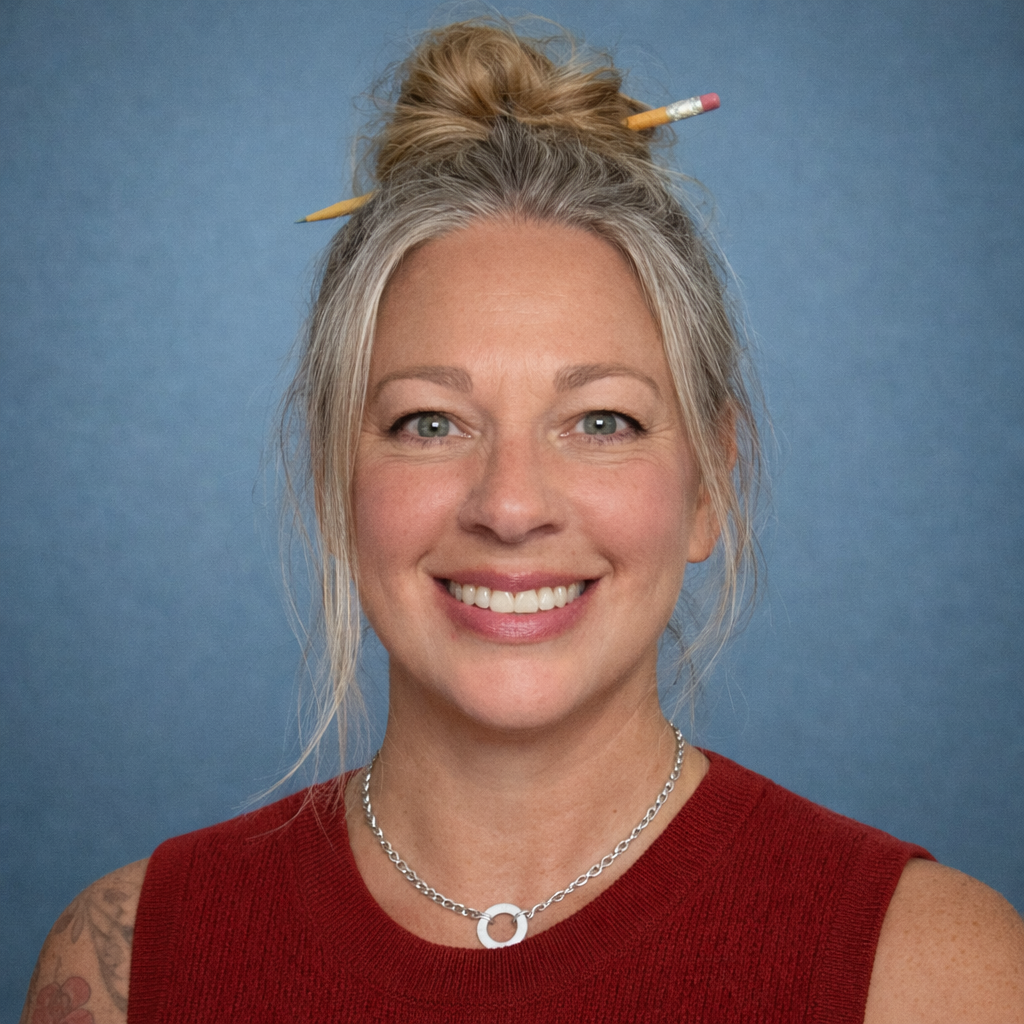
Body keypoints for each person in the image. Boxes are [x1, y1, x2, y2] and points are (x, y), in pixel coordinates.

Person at [22, 19, 1023, 1024]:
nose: (509, 505)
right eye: (428, 421)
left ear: (712, 484)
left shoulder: (937, 973)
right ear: (333, 477)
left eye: (601, 421)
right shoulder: (124, 963)